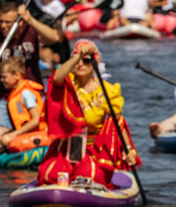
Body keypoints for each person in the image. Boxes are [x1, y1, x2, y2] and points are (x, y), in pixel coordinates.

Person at [36, 40, 139, 188]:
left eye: (86, 60)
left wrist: (128, 150)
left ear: (95, 63)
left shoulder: (106, 90)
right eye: (77, 60)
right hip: (67, 145)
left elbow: (117, 122)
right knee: (49, 175)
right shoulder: (68, 82)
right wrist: (78, 56)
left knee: (87, 176)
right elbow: (56, 78)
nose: (80, 64)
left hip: (93, 149)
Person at [0, 57, 46, 154]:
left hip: (39, 134)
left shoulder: (25, 93)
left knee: (4, 140)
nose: (1, 80)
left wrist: (12, 135)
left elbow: (36, 120)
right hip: (29, 133)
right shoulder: (17, 93)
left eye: (4, 77)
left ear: (17, 76)